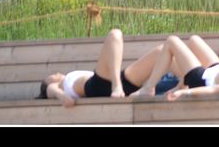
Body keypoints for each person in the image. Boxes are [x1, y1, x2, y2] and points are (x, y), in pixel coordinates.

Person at [36, 28, 167, 108]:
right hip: (98, 85)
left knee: (163, 50)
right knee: (115, 34)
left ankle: (184, 86)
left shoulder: (65, 81)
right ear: (48, 82)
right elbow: (67, 101)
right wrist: (57, 93)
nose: (57, 73)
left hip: (119, 82)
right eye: (52, 75)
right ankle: (116, 85)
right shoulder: (53, 87)